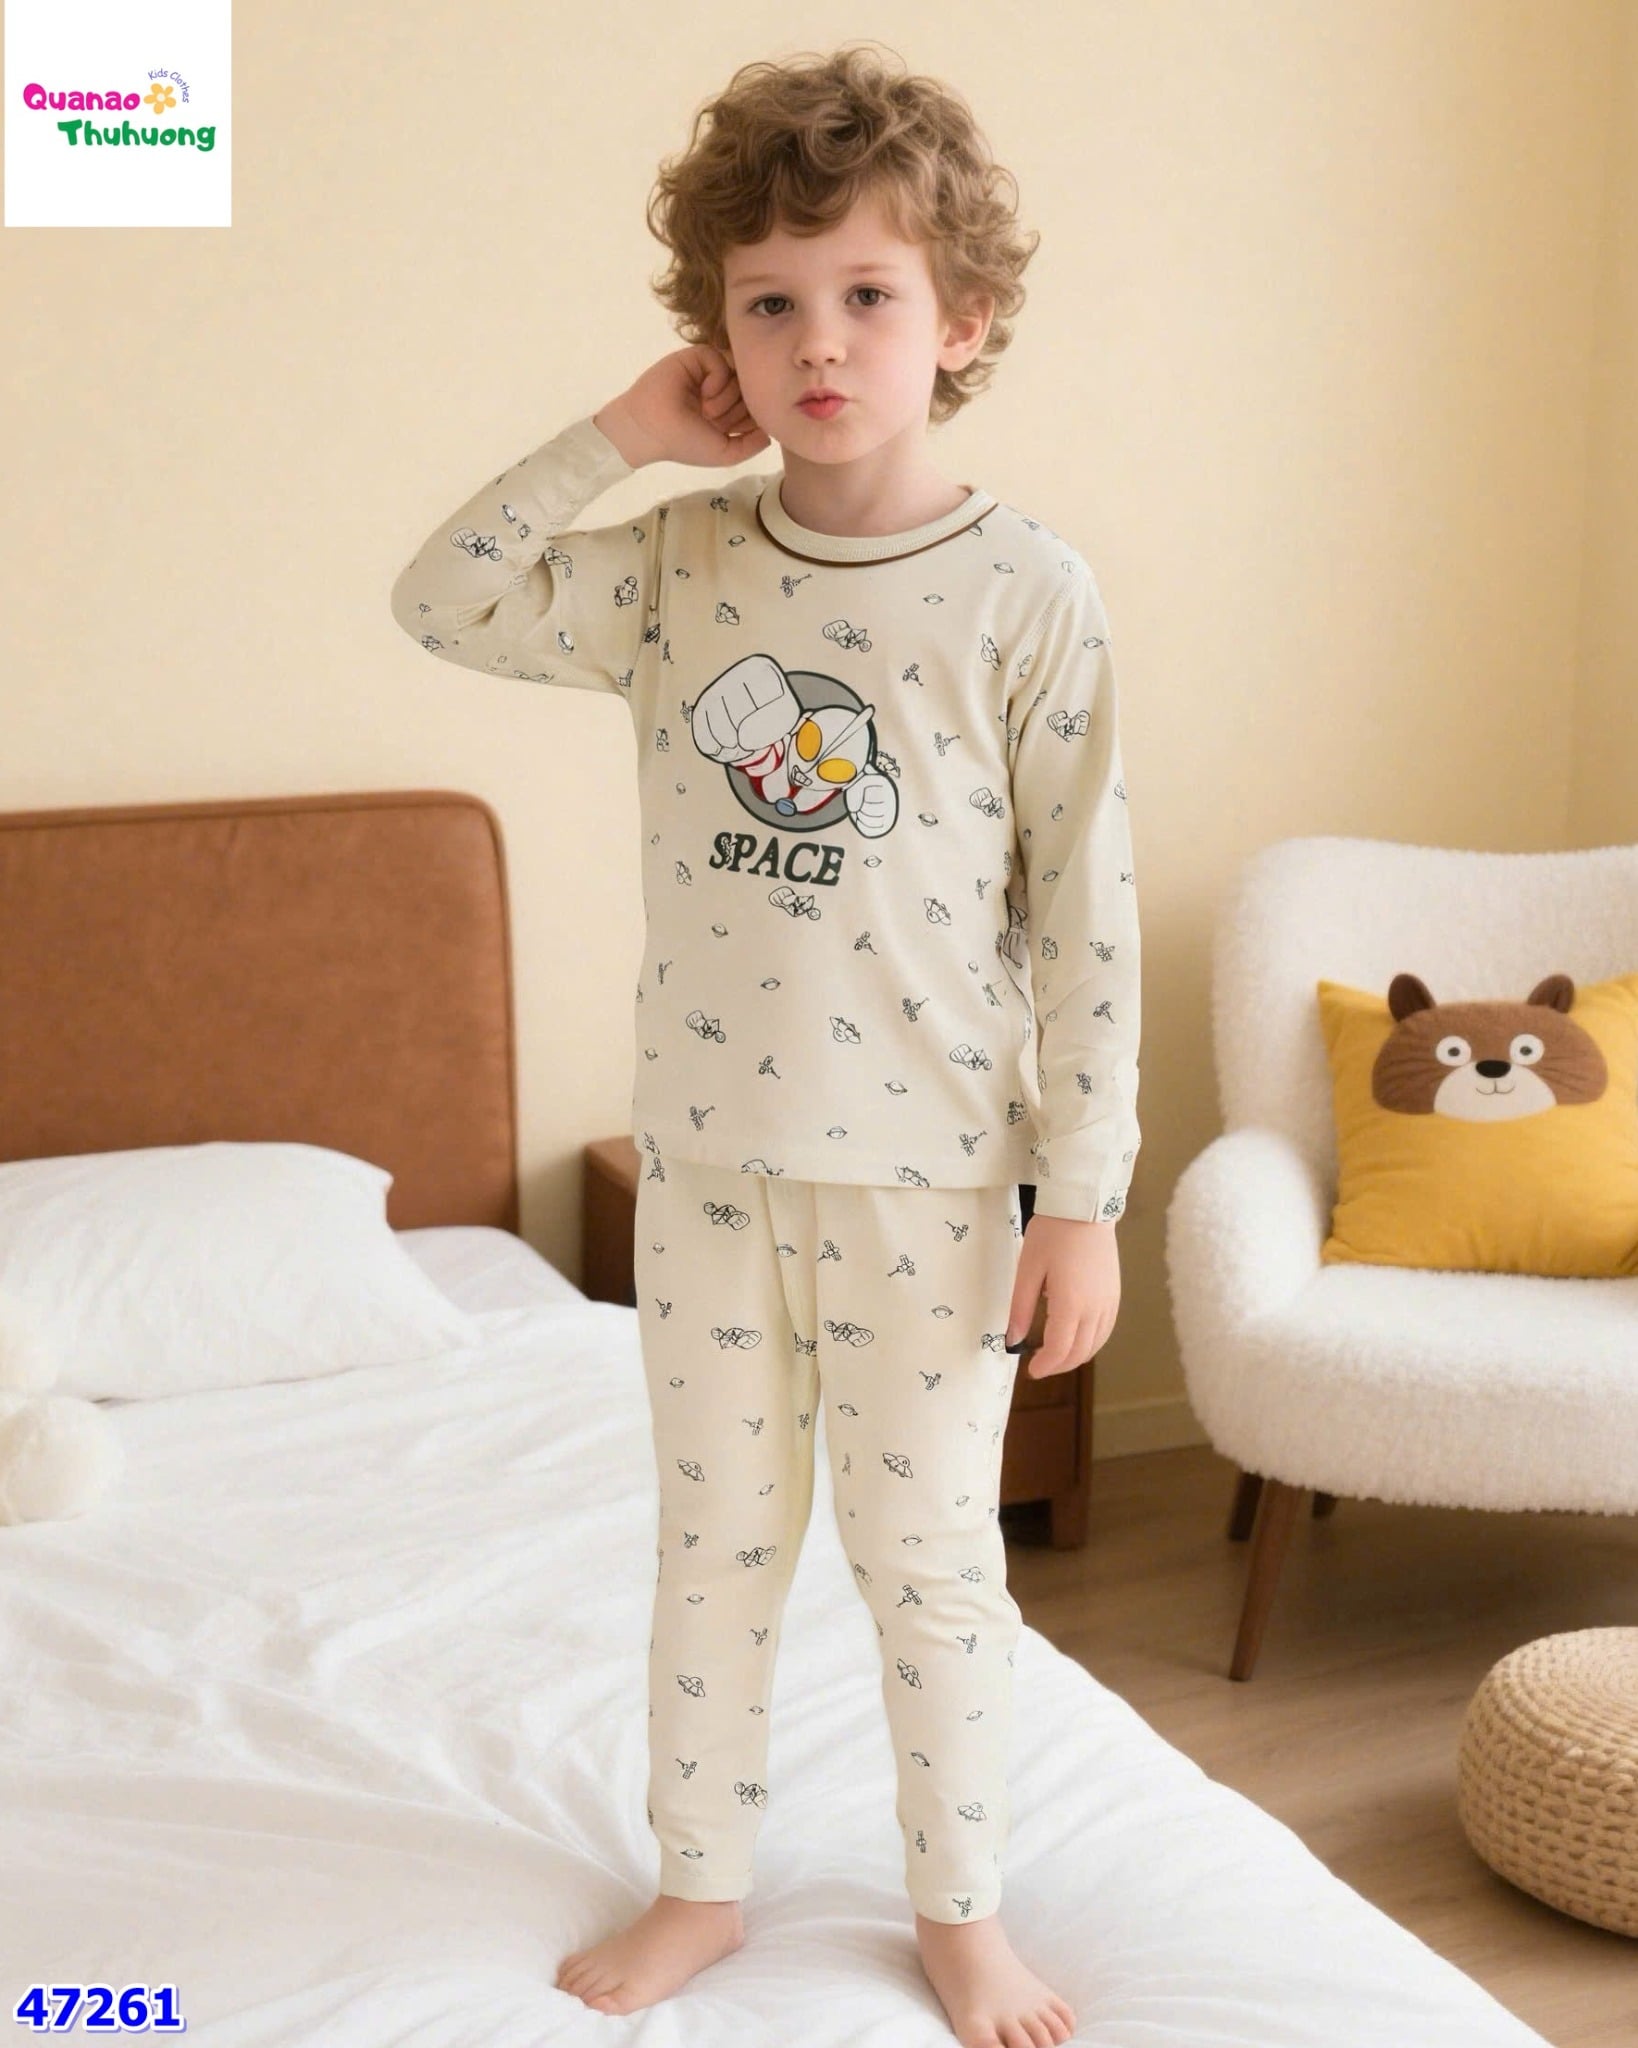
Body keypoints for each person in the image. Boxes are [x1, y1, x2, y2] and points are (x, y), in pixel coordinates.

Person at [389, 43, 1140, 2048]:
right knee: (712, 1549)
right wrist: (619, 438)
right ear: (716, 333)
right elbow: (442, 601)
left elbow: (1085, 914)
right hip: (711, 1164)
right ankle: (700, 1885)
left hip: (933, 1181)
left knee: (929, 1565)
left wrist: (1084, 1196)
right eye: (768, 301)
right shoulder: (680, 567)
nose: (817, 341)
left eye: (868, 294)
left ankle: (960, 1913)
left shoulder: (1028, 590)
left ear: (960, 320)